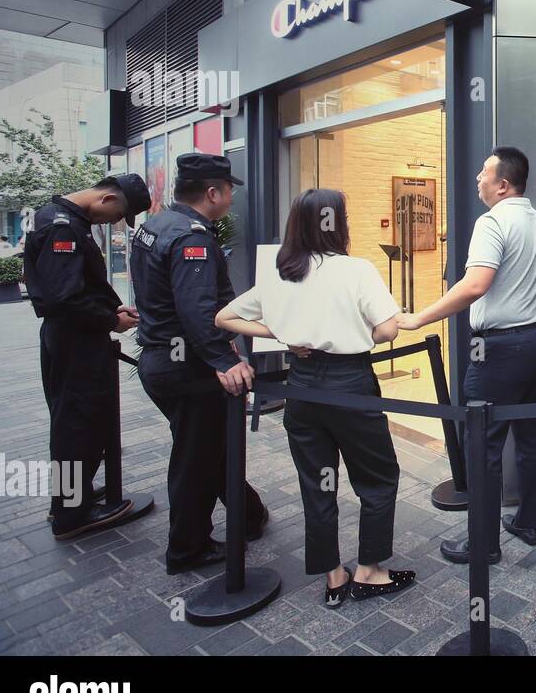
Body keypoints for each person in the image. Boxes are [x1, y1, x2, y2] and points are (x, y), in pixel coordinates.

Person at [215, 189, 414, 606]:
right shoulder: (355, 269)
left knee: (318, 485)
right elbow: (389, 329)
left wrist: (286, 334)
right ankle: (370, 571)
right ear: (336, 224)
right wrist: (357, 334)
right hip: (350, 386)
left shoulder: (279, 273)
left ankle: (334, 577)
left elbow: (225, 317)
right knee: (376, 478)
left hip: (301, 389)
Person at [402, 147, 536, 564]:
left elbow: (475, 285)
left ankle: (484, 544)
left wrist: (419, 318)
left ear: (503, 184)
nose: (477, 177)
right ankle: (528, 522)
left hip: (502, 351)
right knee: (529, 436)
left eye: (484, 171)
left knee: (482, 444)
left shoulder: (491, 222)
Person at [131, 153, 269, 574]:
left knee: (208, 448)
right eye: (228, 191)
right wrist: (224, 360)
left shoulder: (154, 226)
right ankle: (187, 550)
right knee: (196, 459)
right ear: (212, 192)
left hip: (160, 359)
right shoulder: (193, 238)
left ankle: (248, 515)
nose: (230, 199)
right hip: (187, 367)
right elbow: (198, 309)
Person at [23, 175, 150, 539]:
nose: (113, 222)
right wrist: (110, 319)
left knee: (74, 419)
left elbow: (83, 282)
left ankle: (69, 498)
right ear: (107, 197)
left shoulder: (63, 219)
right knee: (79, 423)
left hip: (72, 337)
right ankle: (71, 515)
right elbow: (64, 298)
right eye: (117, 214)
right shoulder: (62, 227)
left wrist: (113, 306)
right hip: (76, 340)